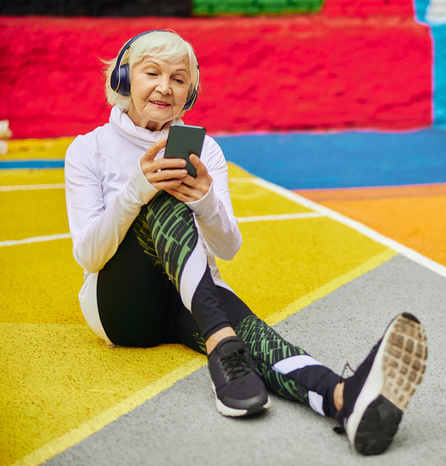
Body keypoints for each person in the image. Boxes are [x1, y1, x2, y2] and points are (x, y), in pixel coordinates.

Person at [64, 29, 427, 456]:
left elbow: (227, 247)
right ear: (124, 79)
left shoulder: (207, 152)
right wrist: (137, 189)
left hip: (193, 298)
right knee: (163, 199)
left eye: (179, 79)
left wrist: (203, 198)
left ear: (190, 94)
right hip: (124, 312)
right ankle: (222, 342)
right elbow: (88, 254)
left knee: (255, 337)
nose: (165, 87)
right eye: (152, 73)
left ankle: (342, 398)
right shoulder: (88, 150)